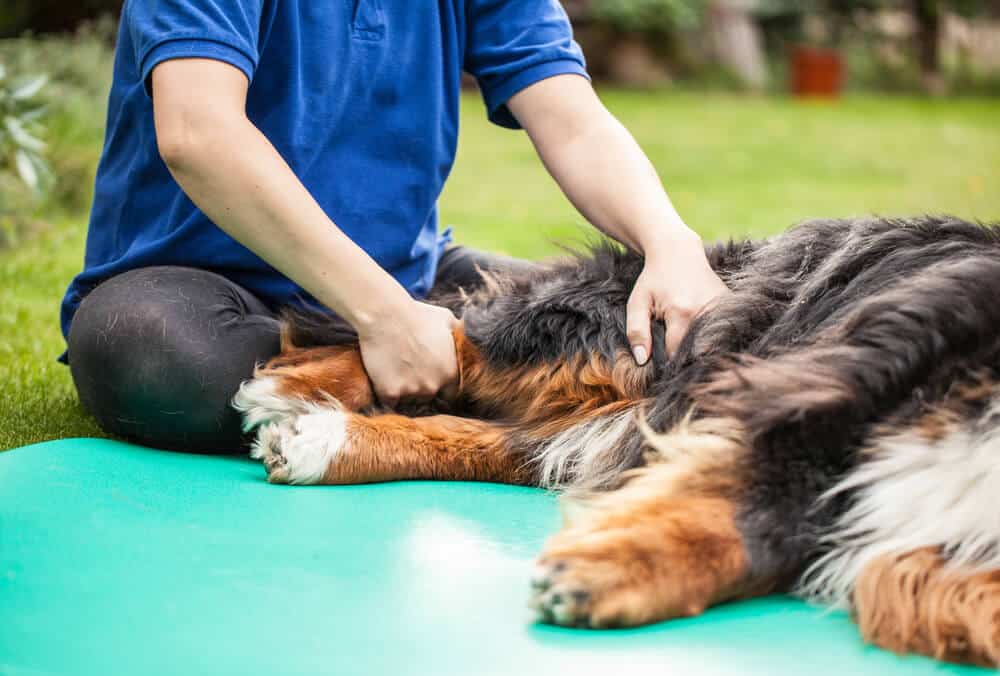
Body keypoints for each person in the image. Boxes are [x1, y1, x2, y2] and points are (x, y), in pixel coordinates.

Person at [62, 1, 730, 453]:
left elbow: (574, 122)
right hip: (201, 288)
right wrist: (381, 317)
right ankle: (459, 374)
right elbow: (199, 133)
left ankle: (414, 370)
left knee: (624, 326)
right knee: (153, 357)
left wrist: (666, 239)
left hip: (414, 284)